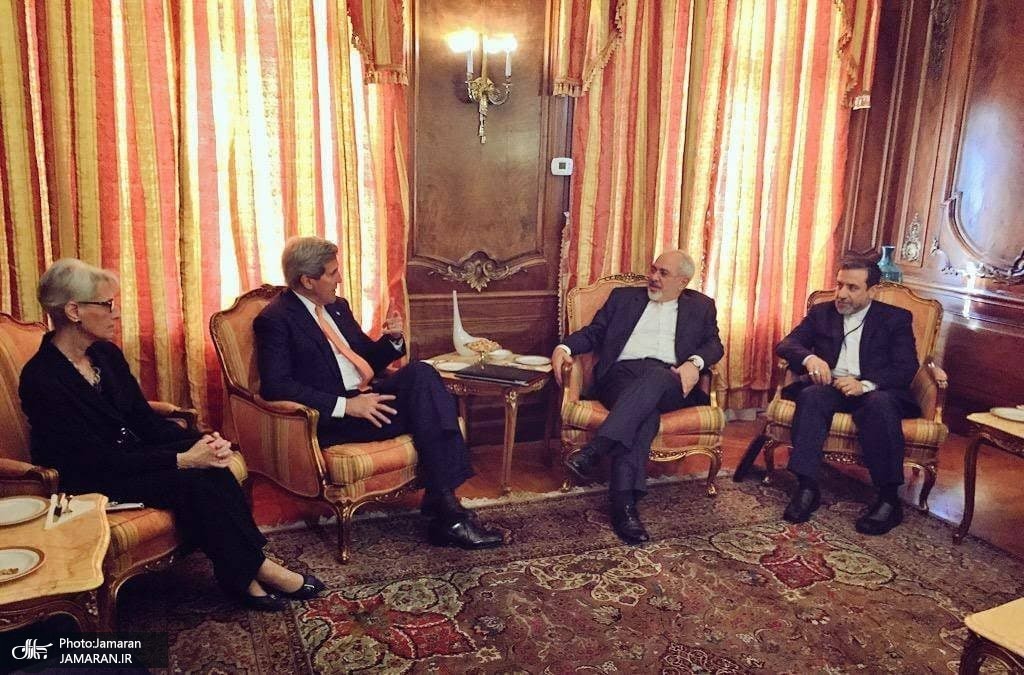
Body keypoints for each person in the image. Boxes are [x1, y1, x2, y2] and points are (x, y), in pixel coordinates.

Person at [18, 259, 322, 612]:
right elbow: (94, 459)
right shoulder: (41, 378)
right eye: (107, 305)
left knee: (211, 463)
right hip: (92, 479)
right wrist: (182, 459)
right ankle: (256, 569)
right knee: (195, 479)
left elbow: (142, 420)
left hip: (130, 457)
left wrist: (200, 442)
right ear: (74, 311)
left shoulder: (104, 355)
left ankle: (243, 572)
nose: (117, 314)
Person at [253, 236, 502, 550]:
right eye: (332, 273)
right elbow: (276, 385)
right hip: (333, 417)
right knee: (431, 412)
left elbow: (365, 359)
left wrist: (392, 341)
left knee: (422, 373)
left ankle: (445, 507)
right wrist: (347, 406)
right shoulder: (275, 319)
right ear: (307, 280)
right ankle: (448, 513)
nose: (339, 279)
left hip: (368, 397)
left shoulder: (337, 308)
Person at [551, 250, 724, 544]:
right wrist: (564, 348)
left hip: (671, 380)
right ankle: (624, 507)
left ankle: (596, 450)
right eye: (653, 269)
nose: (653, 277)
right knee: (644, 417)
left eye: (663, 273)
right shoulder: (623, 298)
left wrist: (694, 363)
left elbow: (714, 344)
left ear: (682, 282)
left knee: (657, 377)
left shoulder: (701, 306)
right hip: (621, 377)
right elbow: (594, 333)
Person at [777, 257, 920, 535]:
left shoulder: (895, 318)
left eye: (852, 288)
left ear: (872, 291)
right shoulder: (822, 313)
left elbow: (906, 367)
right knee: (811, 397)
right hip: (831, 385)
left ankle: (888, 499)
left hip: (875, 390)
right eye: (839, 285)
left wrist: (865, 385)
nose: (841, 294)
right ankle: (807, 487)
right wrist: (809, 358)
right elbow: (787, 344)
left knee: (879, 405)